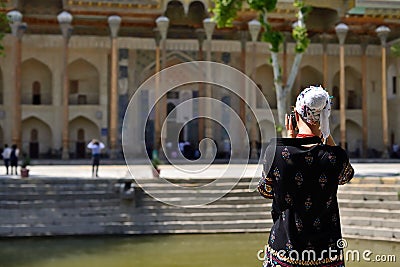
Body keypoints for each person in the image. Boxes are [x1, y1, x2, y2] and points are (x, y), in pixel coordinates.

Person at [258, 86, 354, 267]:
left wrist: (289, 140)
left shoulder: (276, 153)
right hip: (326, 253)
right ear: (326, 116)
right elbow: (345, 176)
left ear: (296, 113)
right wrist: (326, 133)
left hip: (286, 253)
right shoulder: (335, 157)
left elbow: (266, 190)